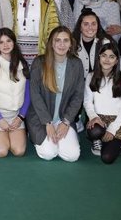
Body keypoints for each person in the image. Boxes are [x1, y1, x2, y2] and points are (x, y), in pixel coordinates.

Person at [27, 26, 85, 162]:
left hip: (63, 118)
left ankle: (64, 136)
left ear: (71, 44)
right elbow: (35, 95)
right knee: (48, 154)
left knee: (72, 156)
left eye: (66, 40)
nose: (61, 44)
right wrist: (47, 122)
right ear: (51, 44)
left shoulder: (76, 64)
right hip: (42, 119)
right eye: (57, 40)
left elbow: (78, 96)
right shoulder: (39, 62)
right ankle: (35, 134)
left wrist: (65, 122)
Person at [0, 28, 30, 158]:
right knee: (2, 152)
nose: (5, 45)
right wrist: (0, 120)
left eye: (8, 41)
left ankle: (10, 133)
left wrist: (21, 117)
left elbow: (28, 95)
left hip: (16, 116)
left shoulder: (23, 65)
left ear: (14, 43)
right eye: (1, 42)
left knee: (19, 151)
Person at [84, 41, 121, 164]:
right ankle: (98, 138)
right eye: (104, 55)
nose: (107, 59)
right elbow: (87, 102)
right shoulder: (91, 76)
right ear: (99, 57)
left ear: (116, 61)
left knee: (107, 158)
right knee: (94, 131)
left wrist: (112, 129)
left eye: (111, 57)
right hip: (98, 119)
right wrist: (93, 117)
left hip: (116, 121)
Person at [6, 0, 59, 65]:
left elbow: (53, 23)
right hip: (13, 47)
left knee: (37, 77)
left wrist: (51, 44)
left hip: (39, 48)